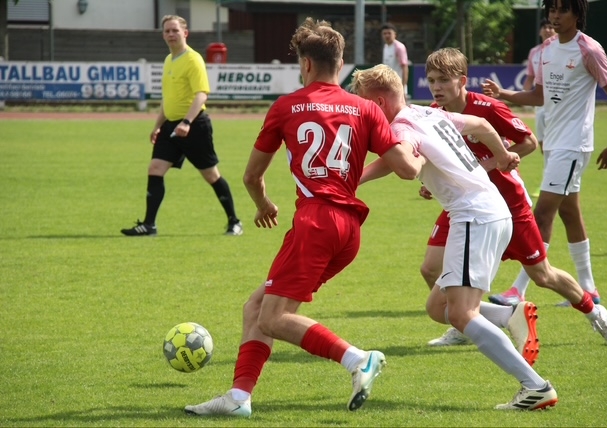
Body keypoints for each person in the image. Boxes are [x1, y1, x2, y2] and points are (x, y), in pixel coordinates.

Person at [184, 18, 424, 418]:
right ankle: (239, 397)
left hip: (315, 222)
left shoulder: (287, 106)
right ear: (341, 63)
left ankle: (357, 359)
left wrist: (263, 205)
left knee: (273, 317)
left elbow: (251, 176)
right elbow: (408, 169)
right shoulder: (366, 108)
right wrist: (426, 142)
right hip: (349, 229)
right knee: (256, 307)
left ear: (306, 64)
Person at [352, 63, 558, 411]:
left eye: (365, 105)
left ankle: (535, 387)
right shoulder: (427, 113)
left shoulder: (402, 127)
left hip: (473, 216)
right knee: (438, 307)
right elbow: (480, 126)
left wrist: (398, 157)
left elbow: (408, 167)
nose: (363, 113)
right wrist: (501, 155)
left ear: (380, 102)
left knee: (462, 314)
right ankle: (511, 316)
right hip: (488, 212)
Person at [420, 48, 607, 350]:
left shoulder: (487, 108)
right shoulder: (435, 113)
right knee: (431, 268)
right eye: (432, 80)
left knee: (542, 275)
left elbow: (528, 142)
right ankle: (467, 323)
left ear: (462, 80)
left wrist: (491, 163)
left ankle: (595, 313)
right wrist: (431, 181)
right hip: (464, 206)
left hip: (509, 205)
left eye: (444, 80)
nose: (437, 87)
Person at [483, 0, 607, 308]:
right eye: (552, 10)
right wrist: (503, 93)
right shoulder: (546, 49)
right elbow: (540, 96)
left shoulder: (589, 50)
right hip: (554, 143)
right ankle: (589, 289)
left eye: (563, 10)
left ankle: (519, 289)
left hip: (573, 145)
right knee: (569, 213)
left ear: (578, 13)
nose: (555, 16)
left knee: (542, 213)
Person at [120, 15, 242, 237]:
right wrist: (157, 126)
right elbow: (168, 100)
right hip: (170, 127)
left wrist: (186, 122)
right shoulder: (169, 60)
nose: (171, 34)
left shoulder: (193, 59)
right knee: (155, 169)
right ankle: (149, 225)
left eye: (175, 30)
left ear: (185, 33)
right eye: (167, 31)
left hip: (194, 126)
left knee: (211, 175)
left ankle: (234, 221)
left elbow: (201, 94)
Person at [520, 19, 555, 199]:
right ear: (540, 31)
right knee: (542, 143)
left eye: (551, 26)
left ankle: (548, 184)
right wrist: (523, 96)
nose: (548, 30)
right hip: (540, 104)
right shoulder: (534, 52)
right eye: (545, 27)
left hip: (557, 104)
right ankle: (549, 181)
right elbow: (530, 77)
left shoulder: (560, 49)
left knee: (553, 144)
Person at [381, 23, 409, 97]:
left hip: (398, 86)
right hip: (387, 86)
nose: (387, 35)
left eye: (389, 33)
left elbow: (405, 68)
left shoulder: (399, 47)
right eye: (384, 33)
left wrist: (403, 87)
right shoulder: (385, 47)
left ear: (395, 34)